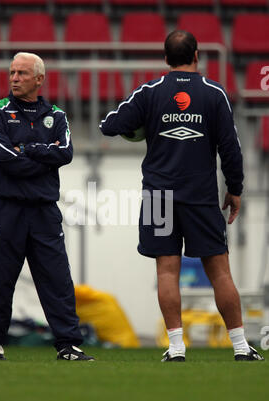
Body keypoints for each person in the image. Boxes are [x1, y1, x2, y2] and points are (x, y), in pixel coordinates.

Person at [100, 30, 264, 362]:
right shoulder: (214, 93)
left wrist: (143, 126)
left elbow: (110, 124)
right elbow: (231, 150)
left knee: (166, 270)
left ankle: (176, 348)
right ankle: (241, 347)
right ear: (197, 55)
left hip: (159, 196)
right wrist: (235, 190)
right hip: (201, 197)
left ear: (165, 58)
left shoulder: (150, 92)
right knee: (220, 272)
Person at [0, 52, 94, 362]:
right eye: (12, 72)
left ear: (39, 79)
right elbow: (3, 157)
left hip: (44, 211)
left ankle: (68, 345)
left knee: (57, 279)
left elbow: (66, 152)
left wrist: (26, 150)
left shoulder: (56, 116)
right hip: (6, 210)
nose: (14, 78)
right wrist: (43, 156)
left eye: (22, 73)